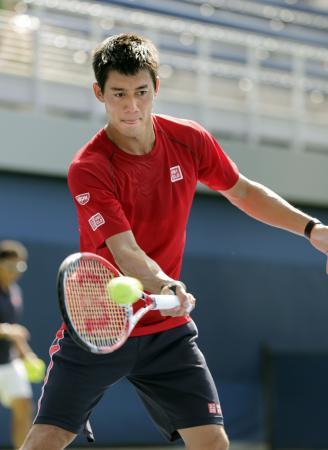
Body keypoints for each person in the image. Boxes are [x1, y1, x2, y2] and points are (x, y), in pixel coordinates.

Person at [20, 33, 328, 450]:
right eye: (119, 94)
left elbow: (243, 191)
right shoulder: (89, 167)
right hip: (99, 324)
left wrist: (313, 230)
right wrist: (166, 285)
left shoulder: (188, 139)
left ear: (156, 88)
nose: (132, 106)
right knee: (47, 439)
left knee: (213, 443)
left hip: (166, 331)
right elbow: (126, 251)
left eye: (141, 92)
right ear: (99, 93)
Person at [0, 240, 45, 449]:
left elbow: (15, 331)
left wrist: (27, 354)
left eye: (20, 267)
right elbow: (12, 330)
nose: (16, 272)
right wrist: (8, 330)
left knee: (24, 406)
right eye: (10, 267)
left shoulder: (15, 292)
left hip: (8, 362)